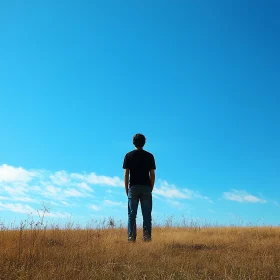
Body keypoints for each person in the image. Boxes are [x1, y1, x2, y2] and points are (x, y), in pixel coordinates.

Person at [123, 133, 156, 242]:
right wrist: (151, 187)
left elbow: (126, 174)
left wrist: (126, 189)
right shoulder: (149, 156)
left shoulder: (128, 156)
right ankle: (147, 238)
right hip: (146, 187)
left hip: (133, 187)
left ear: (134, 142)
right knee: (146, 215)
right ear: (144, 142)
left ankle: (131, 238)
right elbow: (152, 174)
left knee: (132, 215)